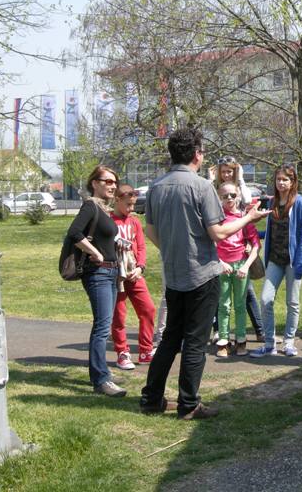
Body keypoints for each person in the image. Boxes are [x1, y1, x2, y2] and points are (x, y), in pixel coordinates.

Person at [139, 128, 269, 419]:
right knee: (195, 342)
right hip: (202, 275)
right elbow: (218, 232)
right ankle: (188, 405)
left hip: (174, 275)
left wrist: (173, 250)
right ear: (197, 154)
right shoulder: (201, 187)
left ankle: (151, 399)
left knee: (170, 338)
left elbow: (151, 231)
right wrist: (250, 217)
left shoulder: (156, 187)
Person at [66, 165, 124, 397]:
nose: (113, 186)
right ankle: (101, 381)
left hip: (110, 272)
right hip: (98, 273)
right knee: (102, 327)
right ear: (94, 183)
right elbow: (74, 233)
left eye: (114, 182)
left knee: (104, 325)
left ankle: (101, 373)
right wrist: (96, 253)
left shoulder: (102, 209)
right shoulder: (90, 206)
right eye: (107, 181)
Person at [250, 164, 302, 358]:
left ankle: (289, 342)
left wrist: (301, 261)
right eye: (278, 179)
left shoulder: (300, 203)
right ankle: (270, 344)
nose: (281, 183)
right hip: (275, 260)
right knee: (266, 299)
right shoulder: (272, 203)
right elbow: (271, 229)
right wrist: (254, 232)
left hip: (293, 262)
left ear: (293, 182)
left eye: (285, 179)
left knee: (292, 302)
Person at [210, 156, 264, 343]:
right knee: (221, 299)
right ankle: (220, 333)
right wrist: (211, 180)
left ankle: (257, 330)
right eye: (223, 171)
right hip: (222, 253)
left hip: (241, 252)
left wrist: (240, 178)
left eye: (230, 171)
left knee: (245, 295)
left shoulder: (239, 191)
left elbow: (247, 201)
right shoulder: (216, 191)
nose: (226, 175)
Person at [110, 184, 156, 371]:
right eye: (128, 204)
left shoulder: (134, 222)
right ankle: (122, 352)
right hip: (116, 276)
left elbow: (142, 247)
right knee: (119, 315)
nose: (131, 208)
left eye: (133, 205)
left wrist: (140, 267)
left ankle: (145, 351)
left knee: (148, 310)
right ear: (117, 200)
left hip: (134, 274)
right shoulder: (109, 221)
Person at [215, 181, 261, 358]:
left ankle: (241, 340)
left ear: (238, 196)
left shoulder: (244, 218)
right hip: (222, 268)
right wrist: (220, 262)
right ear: (219, 197)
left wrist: (246, 266)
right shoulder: (216, 219)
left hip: (241, 266)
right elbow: (209, 244)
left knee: (240, 305)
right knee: (224, 305)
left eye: (232, 195)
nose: (229, 198)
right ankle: (223, 341)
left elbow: (256, 245)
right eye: (225, 195)